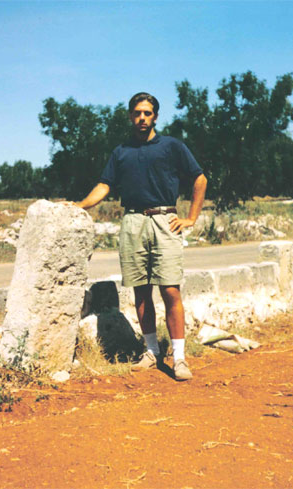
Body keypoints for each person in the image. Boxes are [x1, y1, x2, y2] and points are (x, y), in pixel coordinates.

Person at [76, 92, 207, 381]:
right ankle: (151, 351)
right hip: (133, 222)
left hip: (165, 220)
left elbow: (200, 178)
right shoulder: (121, 151)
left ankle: (180, 358)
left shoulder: (172, 146)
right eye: (137, 113)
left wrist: (191, 218)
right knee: (140, 290)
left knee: (170, 290)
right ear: (130, 116)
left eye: (147, 113)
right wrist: (80, 205)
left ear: (155, 116)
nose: (142, 118)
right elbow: (104, 185)